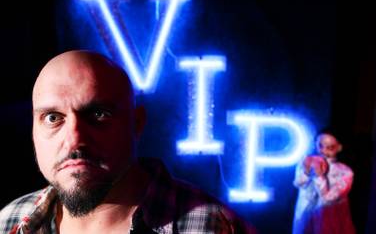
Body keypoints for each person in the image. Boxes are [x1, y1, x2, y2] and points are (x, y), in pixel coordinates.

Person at [0, 50, 255, 234]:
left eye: (98, 114)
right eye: (53, 118)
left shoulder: (213, 228)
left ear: (137, 123)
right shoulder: (9, 222)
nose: (75, 139)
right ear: (33, 130)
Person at [292, 129, 356, 234]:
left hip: (330, 222)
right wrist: (307, 172)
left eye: (330, 147)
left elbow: (329, 198)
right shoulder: (307, 162)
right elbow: (298, 183)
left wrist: (319, 175)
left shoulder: (345, 171)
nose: (323, 151)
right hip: (305, 217)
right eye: (320, 146)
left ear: (339, 148)